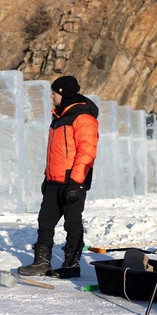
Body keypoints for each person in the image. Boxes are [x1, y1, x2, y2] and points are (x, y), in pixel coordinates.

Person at [19, 75, 99, 279]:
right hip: (54, 181)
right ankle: (41, 262)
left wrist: (76, 182)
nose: (51, 96)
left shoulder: (83, 118)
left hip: (72, 182)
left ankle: (71, 265)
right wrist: (47, 178)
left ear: (63, 93)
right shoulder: (59, 117)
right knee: (44, 221)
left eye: (53, 92)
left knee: (72, 223)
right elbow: (54, 153)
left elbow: (87, 152)